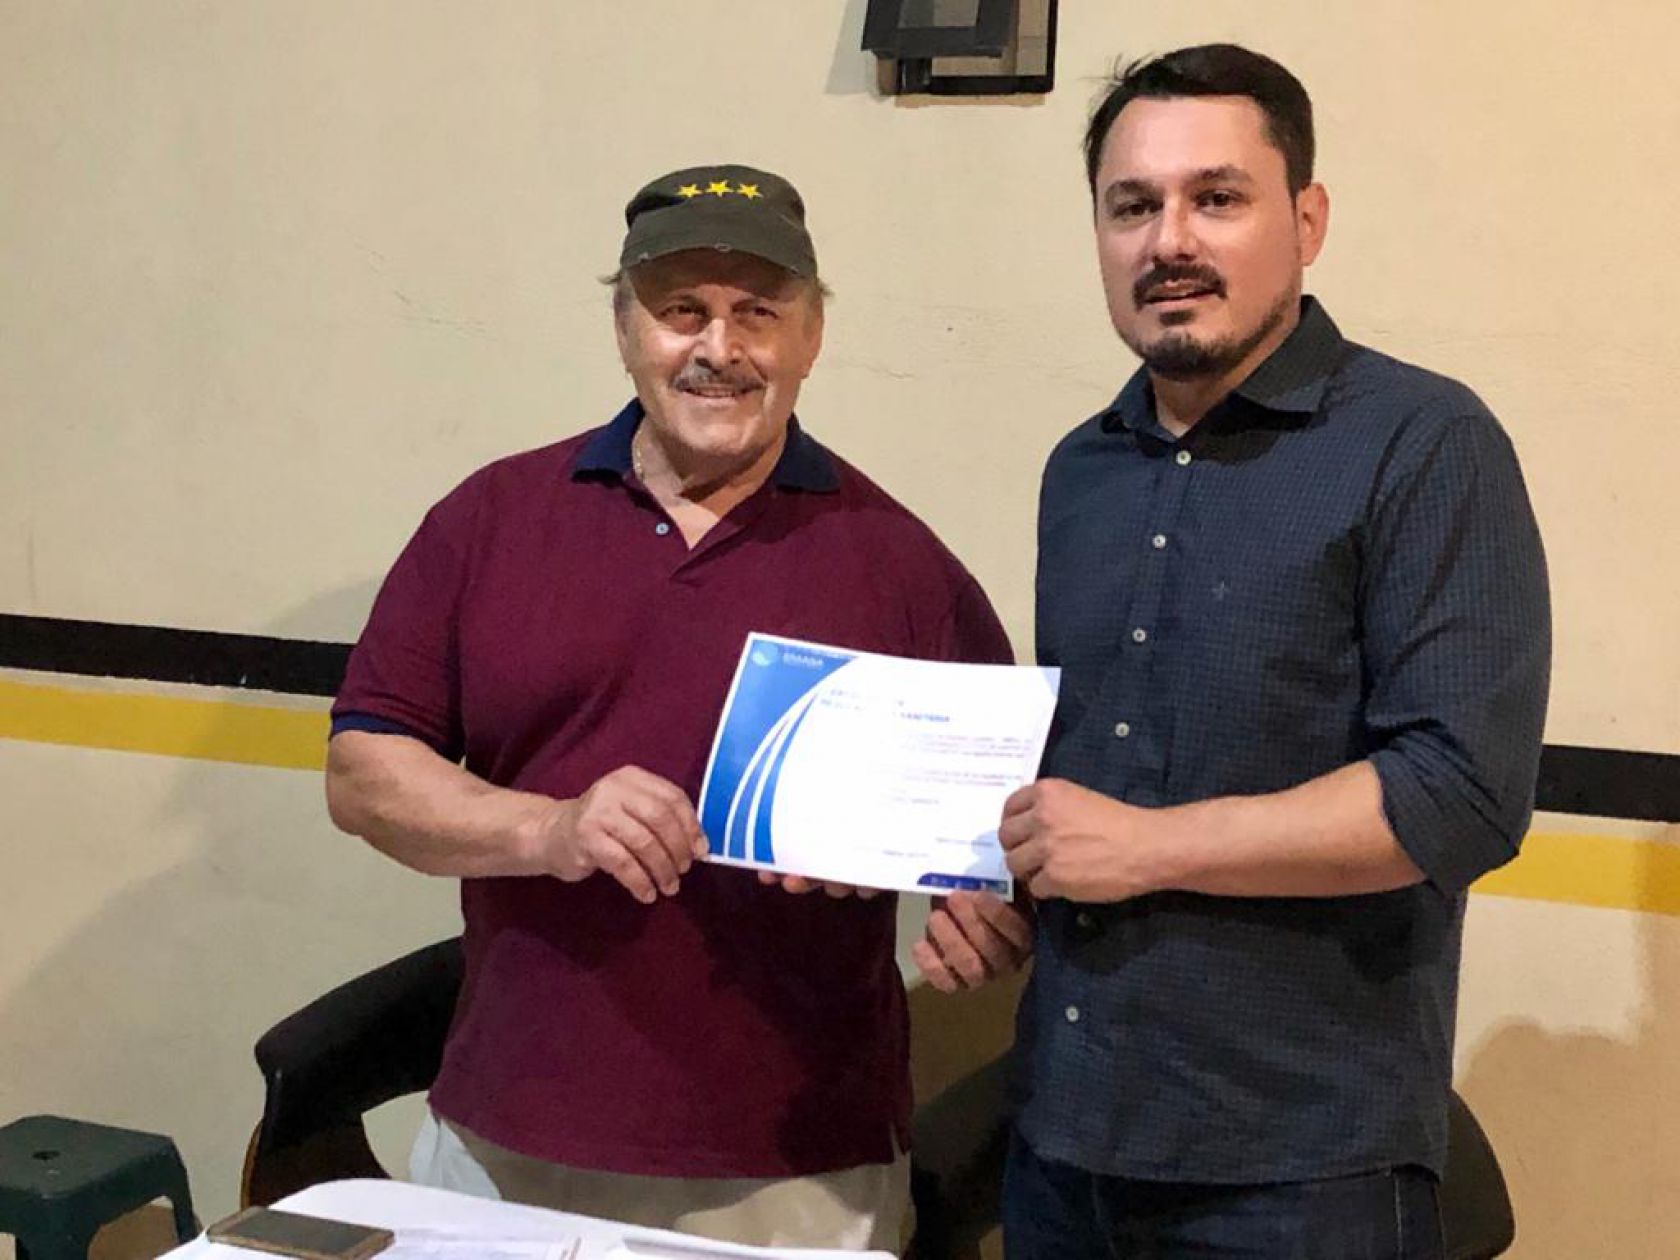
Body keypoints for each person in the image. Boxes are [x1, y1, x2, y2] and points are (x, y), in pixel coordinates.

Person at [324, 162, 1030, 1253]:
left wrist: (980, 906)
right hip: (508, 1134)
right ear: (624, 328)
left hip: (803, 1167)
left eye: (759, 313)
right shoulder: (490, 519)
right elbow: (363, 775)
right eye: (681, 310)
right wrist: (549, 828)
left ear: (812, 335)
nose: (719, 347)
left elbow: (1005, 836)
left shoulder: (902, 565)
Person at [995, 45, 1551, 1258]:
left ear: (1307, 221)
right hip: (1063, 1147)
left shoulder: (1424, 443)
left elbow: (1460, 795)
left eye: (1217, 197)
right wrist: (1002, 886)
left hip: (1302, 1173)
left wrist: (1146, 848)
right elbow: (1095, 775)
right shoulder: (1081, 470)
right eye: (1132, 206)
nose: (1169, 240)